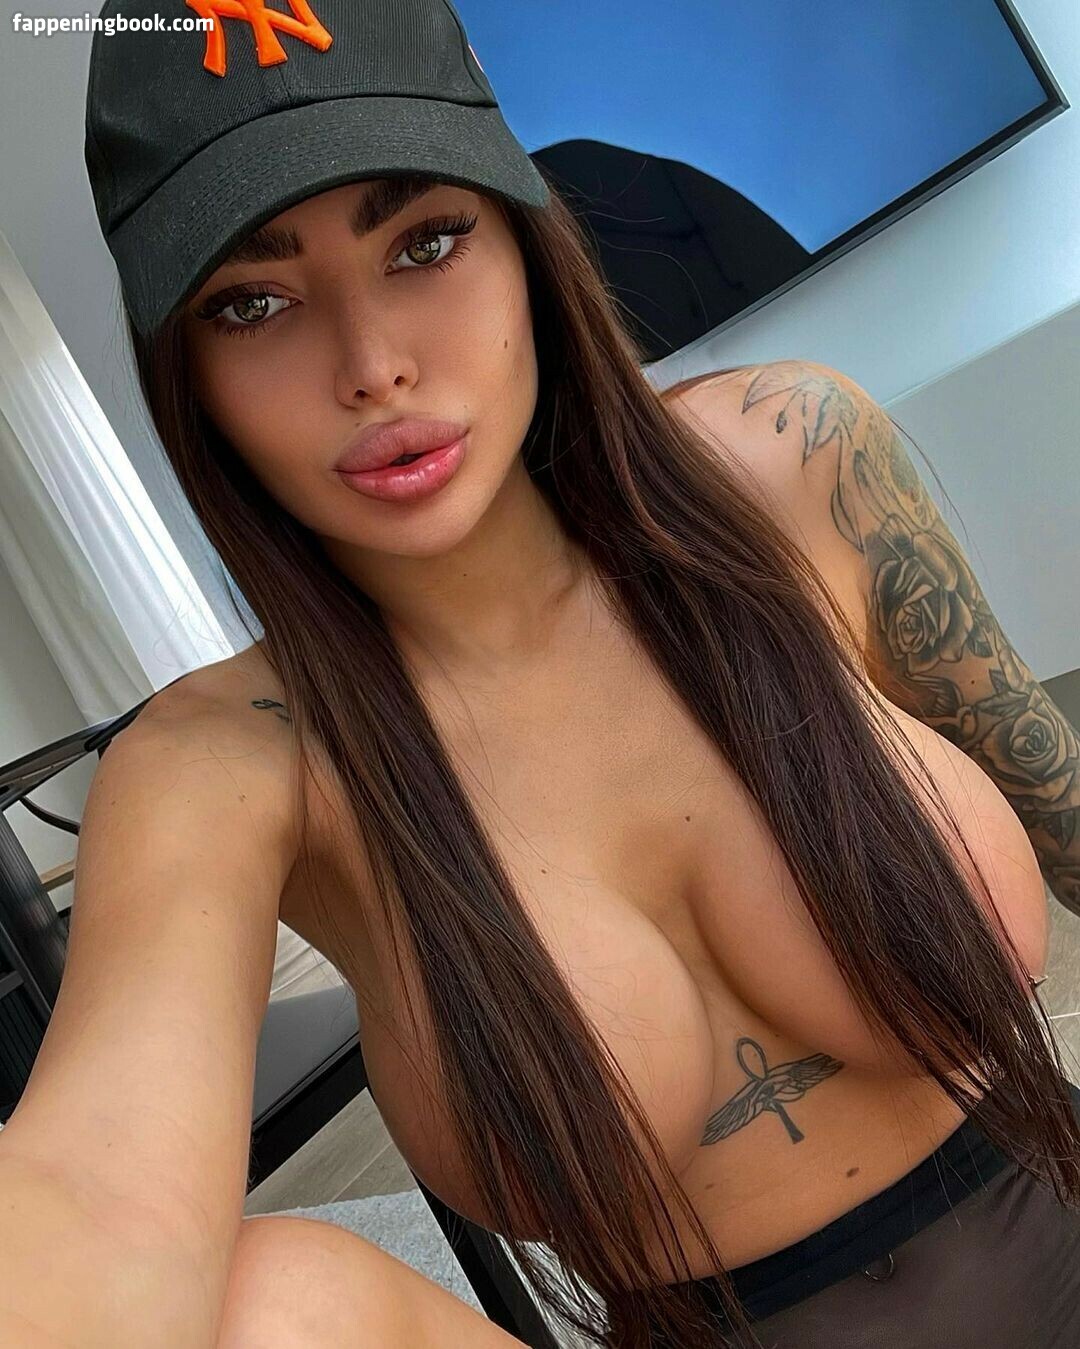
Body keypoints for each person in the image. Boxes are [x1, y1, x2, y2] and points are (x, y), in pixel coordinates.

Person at [3, 0, 1080, 1344]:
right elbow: (91, 1186)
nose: (374, 367)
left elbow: (1068, 812)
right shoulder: (226, 759)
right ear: (189, 372)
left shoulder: (793, 456)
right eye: (254, 303)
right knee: (275, 1305)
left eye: (425, 242)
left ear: (524, 238)